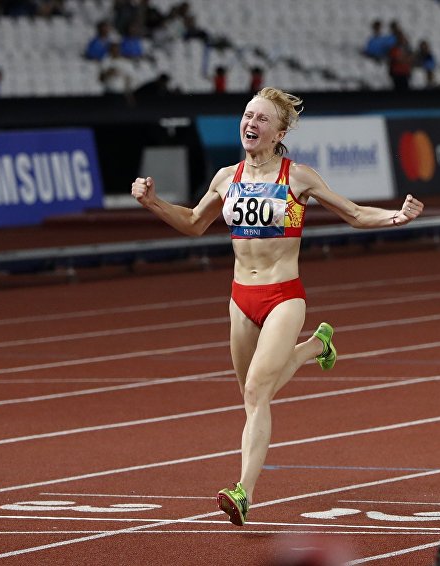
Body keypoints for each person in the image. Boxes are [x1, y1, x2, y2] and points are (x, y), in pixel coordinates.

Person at [130, 87, 424, 526]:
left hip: (283, 296)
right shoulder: (226, 178)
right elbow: (193, 222)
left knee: (256, 391)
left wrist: (395, 217)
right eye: (248, 115)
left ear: (279, 133)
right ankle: (314, 348)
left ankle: (243, 492)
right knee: (253, 396)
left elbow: (353, 213)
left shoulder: (297, 177)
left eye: (262, 119)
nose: (251, 123)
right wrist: (152, 202)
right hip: (240, 299)